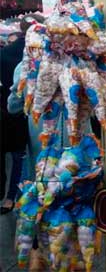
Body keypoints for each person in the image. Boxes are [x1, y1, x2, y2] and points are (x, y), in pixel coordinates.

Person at [0, 14, 44, 214]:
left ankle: (37, 235)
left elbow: (13, 105)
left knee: (34, 178)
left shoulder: (24, 66)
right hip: (76, 143)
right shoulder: (74, 62)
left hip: (36, 135)